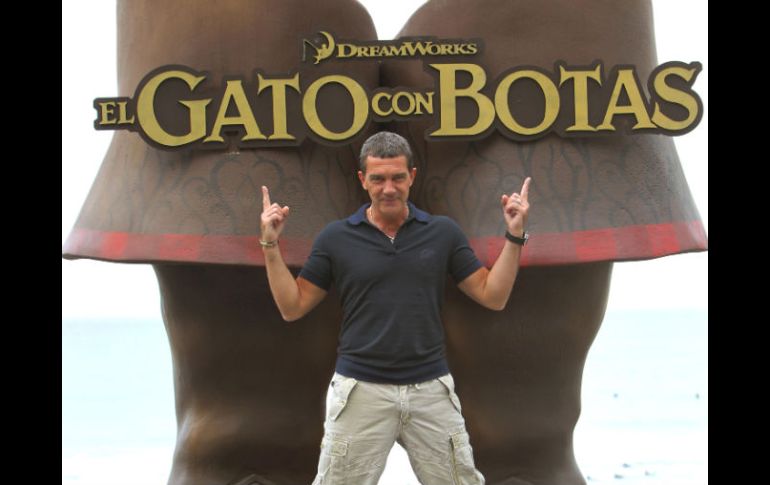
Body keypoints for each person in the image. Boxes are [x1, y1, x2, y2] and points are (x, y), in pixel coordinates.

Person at [259, 131, 531, 485]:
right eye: (378, 179)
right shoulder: (336, 238)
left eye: (397, 177)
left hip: (429, 389)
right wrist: (270, 244)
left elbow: (492, 295)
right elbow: (292, 306)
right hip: (361, 390)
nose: (388, 188)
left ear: (412, 176)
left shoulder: (442, 233)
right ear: (363, 179)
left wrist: (515, 234)